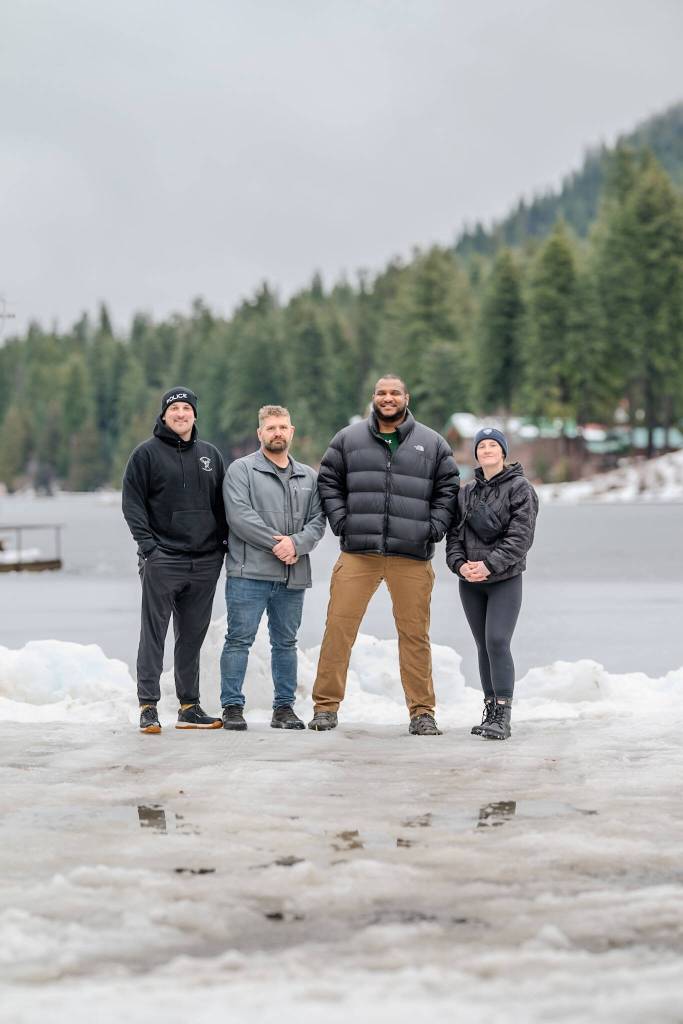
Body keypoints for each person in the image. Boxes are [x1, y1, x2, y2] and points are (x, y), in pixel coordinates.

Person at [309, 375, 460, 735]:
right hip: (358, 553)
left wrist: (433, 527)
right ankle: (325, 707)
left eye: (394, 393)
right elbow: (327, 480)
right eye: (381, 393)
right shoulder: (348, 439)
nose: (388, 398)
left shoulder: (432, 443)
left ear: (406, 397)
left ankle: (422, 712)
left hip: (412, 554)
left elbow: (449, 488)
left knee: (415, 635)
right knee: (338, 629)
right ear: (373, 397)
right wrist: (343, 522)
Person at [122, 387, 227, 734]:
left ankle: (188, 706)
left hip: (205, 560)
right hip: (163, 559)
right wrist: (149, 548)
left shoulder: (210, 454)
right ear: (164, 415)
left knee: (192, 636)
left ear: (195, 415)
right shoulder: (145, 455)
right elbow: (132, 504)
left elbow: (222, 504)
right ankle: (148, 706)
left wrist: (221, 545)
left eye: (186, 408)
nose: (181, 414)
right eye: (174, 408)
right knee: (154, 633)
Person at [220, 405, 326, 730]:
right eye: (270, 428)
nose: (277, 432)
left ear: (291, 432)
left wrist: (297, 544)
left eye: (282, 427)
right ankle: (232, 708)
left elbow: (319, 520)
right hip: (248, 573)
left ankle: (284, 709)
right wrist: (279, 543)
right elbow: (238, 515)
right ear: (260, 433)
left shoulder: (309, 476)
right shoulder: (241, 470)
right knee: (239, 640)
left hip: (292, 576)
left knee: (286, 643)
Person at [446, 427, 538, 740]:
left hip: (504, 580)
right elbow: (454, 536)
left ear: (503, 452)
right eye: (481, 446)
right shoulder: (465, 492)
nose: (487, 450)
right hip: (470, 582)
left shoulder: (520, 488)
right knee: (483, 646)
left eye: (492, 445)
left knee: (498, 641)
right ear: (476, 453)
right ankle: (489, 712)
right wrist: (460, 566)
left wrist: (488, 565)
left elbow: (520, 539)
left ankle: (504, 715)